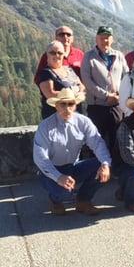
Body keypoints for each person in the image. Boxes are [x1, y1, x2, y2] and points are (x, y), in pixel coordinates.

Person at [33, 88, 111, 216]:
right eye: (63, 104)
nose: (67, 108)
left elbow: (97, 143)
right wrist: (58, 177)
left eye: (71, 104)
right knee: (64, 192)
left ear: (75, 105)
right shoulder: (45, 126)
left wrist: (105, 164)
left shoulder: (83, 122)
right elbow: (40, 157)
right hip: (51, 170)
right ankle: (55, 201)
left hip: (73, 166)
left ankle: (83, 201)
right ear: (56, 106)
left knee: (101, 167)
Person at [81, 26, 129, 150]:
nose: (104, 41)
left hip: (116, 106)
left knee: (118, 141)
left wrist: (119, 95)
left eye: (107, 38)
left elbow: (127, 77)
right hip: (97, 107)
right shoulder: (88, 57)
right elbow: (87, 81)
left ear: (112, 39)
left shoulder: (119, 55)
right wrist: (106, 95)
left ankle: (116, 168)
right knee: (96, 142)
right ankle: (97, 168)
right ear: (96, 39)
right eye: (101, 38)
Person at [37, 41, 85, 119]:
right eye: (52, 52)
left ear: (63, 55)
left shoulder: (69, 70)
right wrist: (74, 92)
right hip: (55, 117)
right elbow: (50, 94)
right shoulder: (45, 73)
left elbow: (82, 86)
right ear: (47, 55)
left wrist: (70, 91)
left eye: (60, 53)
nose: (57, 55)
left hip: (75, 114)